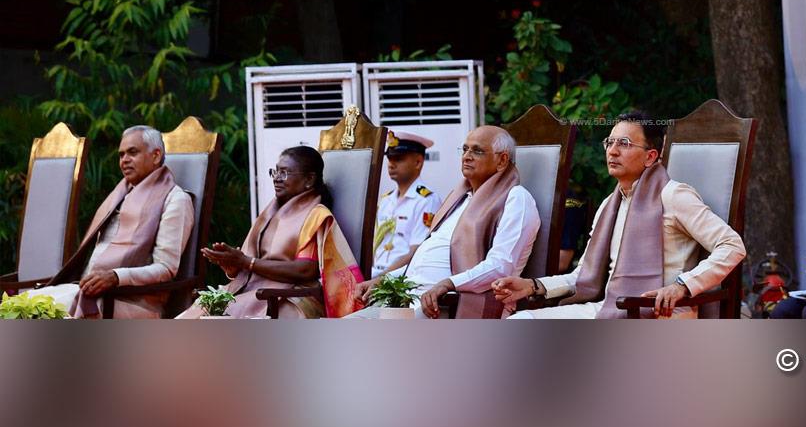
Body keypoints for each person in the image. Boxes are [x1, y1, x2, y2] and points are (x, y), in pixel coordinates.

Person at [496, 111, 746, 319]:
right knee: (521, 321)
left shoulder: (674, 195)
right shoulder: (610, 204)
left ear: (650, 156)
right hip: (610, 308)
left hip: (660, 314)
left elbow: (732, 245)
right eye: (610, 142)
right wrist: (533, 286)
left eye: (624, 144)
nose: (612, 151)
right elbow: (581, 276)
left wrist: (682, 285)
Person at [348, 125, 540, 318]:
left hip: (446, 304)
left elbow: (500, 267)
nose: (467, 156)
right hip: (411, 297)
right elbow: (422, 262)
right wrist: (383, 280)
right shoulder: (461, 198)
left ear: (502, 160)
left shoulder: (516, 198)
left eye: (477, 151)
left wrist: (449, 284)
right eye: (465, 149)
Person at [28, 126, 194, 319]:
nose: (124, 160)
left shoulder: (176, 199)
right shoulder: (120, 195)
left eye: (132, 153)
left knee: (41, 310)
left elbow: (166, 268)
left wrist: (115, 276)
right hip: (93, 292)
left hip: (133, 301)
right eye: (121, 155)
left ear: (156, 155)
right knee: (25, 303)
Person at [177, 145, 362, 318]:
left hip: (289, 295)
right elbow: (252, 262)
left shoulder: (316, 215)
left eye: (285, 172)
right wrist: (234, 267)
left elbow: (305, 270)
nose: (276, 178)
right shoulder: (271, 212)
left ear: (309, 180)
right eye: (275, 171)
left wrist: (246, 262)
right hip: (253, 290)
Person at [371, 130, 442, 277]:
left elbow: (417, 251)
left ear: (418, 162)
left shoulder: (427, 200)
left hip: (401, 279)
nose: (391, 165)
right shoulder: (386, 200)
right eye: (390, 159)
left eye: (399, 159)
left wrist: (381, 278)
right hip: (375, 273)